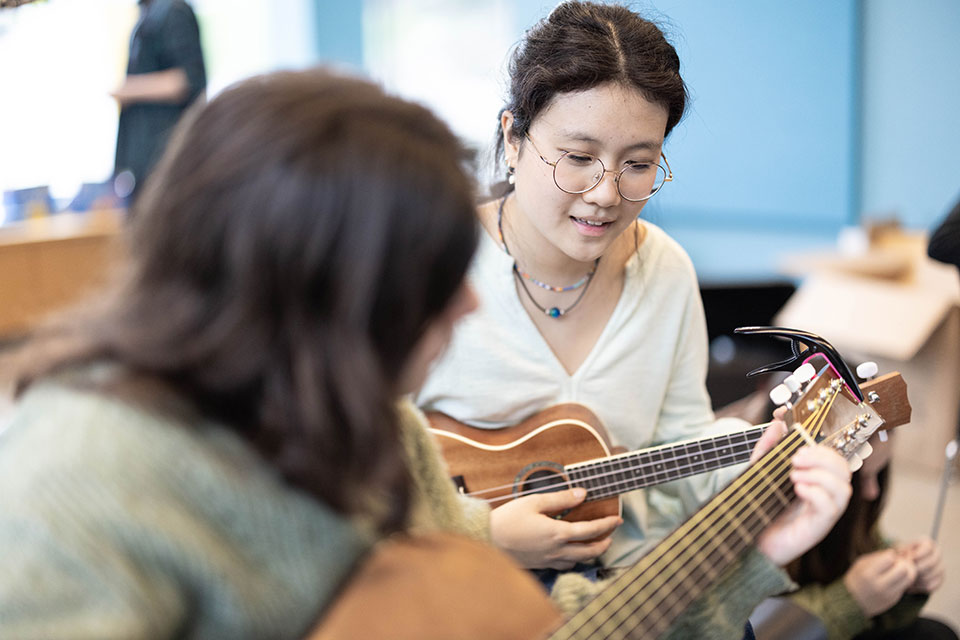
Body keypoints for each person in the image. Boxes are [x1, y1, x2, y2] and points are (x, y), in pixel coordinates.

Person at [0, 69, 850, 639]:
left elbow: (537, 629)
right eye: (431, 277)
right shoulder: (77, 485)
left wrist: (755, 555)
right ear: (305, 283)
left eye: (637, 162)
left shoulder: (381, 433)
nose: (473, 300)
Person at [416, 1, 773, 576]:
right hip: (465, 583)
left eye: (638, 164)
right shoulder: (431, 267)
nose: (607, 193)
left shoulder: (666, 271)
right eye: (579, 158)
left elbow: (682, 455)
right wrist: (484, 533)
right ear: (513, 138)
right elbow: (354, 483)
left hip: (624, 582)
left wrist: (756, 452)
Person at [787, 433, 956, 640]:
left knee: (936, 634)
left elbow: (867, 547)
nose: (873, 492)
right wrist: (850, 601)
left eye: (879, 473)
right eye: (864, 476)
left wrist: (903, 583)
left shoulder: (856, 512)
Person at [112, 0, 206, 202]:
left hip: (166, 159)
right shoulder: (148, 14)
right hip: (146, 165)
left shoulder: (173, 11)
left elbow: (188, 78)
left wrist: (130, 89)